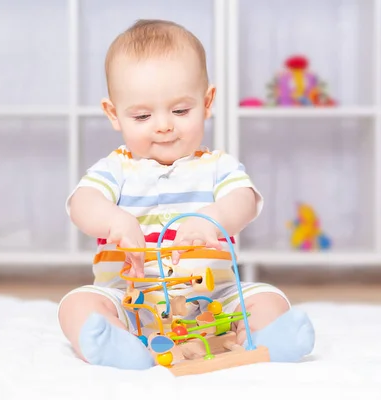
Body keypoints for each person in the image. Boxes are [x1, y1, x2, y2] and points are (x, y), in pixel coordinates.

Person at [57, 19, 315, 370]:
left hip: (214, 301)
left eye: (180, 110)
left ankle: (269, 338)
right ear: (114, 114)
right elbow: (81, 204)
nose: (164, 125)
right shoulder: (116, 168)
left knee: (266, 297)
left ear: (207, 102)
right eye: (143, 115)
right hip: (129, 299)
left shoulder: (217, 166)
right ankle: (116, 344)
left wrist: (212, 218)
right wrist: (115, 220)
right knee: (77, 305)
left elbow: (246, 200)